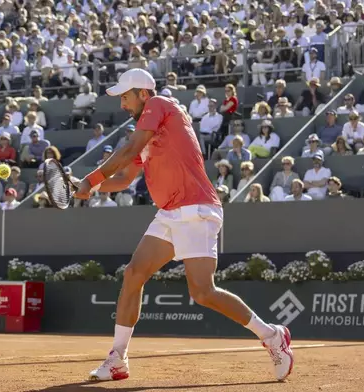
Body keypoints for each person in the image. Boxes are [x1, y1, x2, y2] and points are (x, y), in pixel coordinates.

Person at [75, 69, 293, 383]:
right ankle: (118, 359)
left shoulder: (161, 104)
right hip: (170, 211)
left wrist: (91, 178)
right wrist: (90, 188)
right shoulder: (145, 130)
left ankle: (271, 335)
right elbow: (123, 179)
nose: (122, 103)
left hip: (196, 208)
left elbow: (129, 151)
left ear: (143, 94)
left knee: (203, 292)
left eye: (125, 95)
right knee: (134, 273)